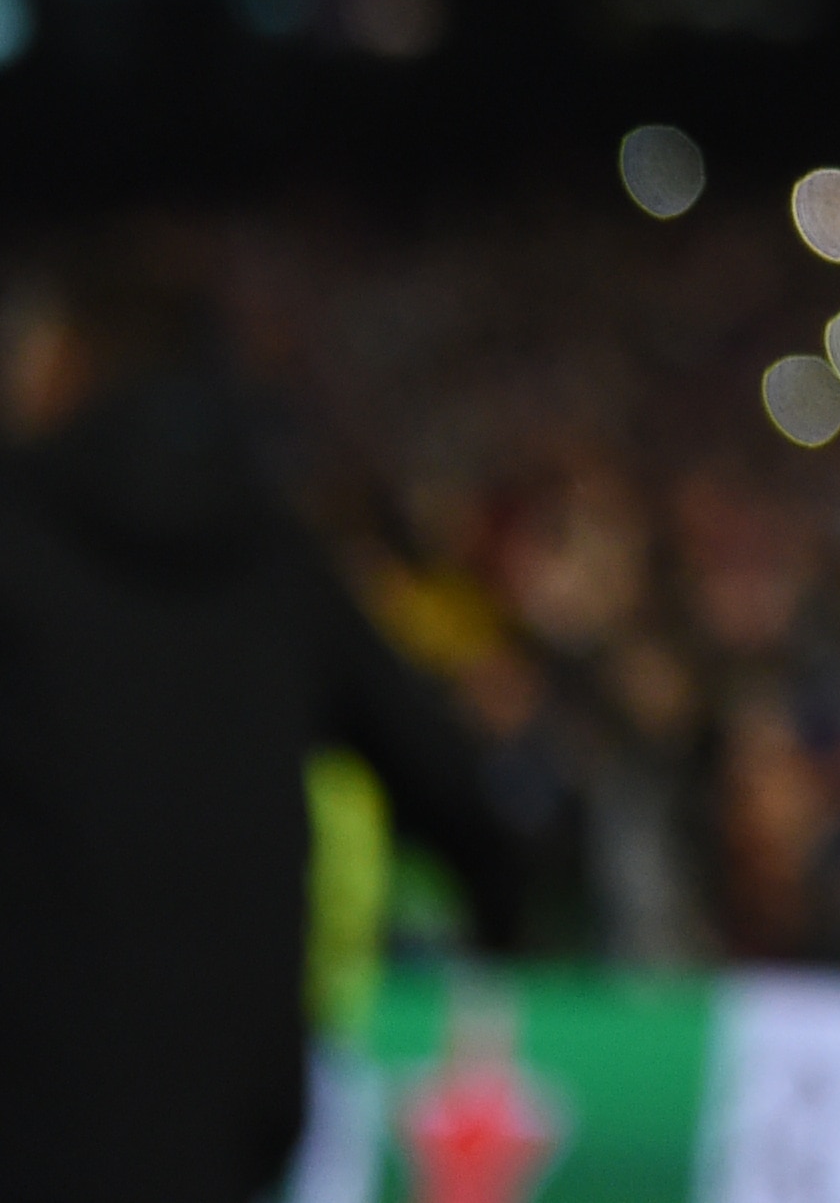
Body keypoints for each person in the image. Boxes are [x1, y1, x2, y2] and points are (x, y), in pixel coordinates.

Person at [0, 228, 528, 1203]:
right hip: (227, 1118)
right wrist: (504, 932)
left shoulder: (20, 542)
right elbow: (457, 789)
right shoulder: (277, 566)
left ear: (70, 362)